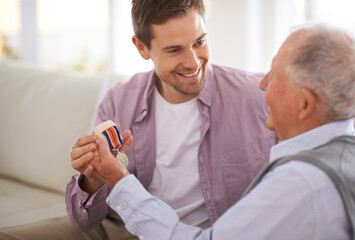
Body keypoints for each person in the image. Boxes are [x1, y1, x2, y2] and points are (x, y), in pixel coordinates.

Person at [91, 24, 355, 239]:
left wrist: (119, 180)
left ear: (304, 103)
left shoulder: (300, 181)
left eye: (274, 76)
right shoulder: (343, 153)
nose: (262, 85)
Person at [66, 0, 277, 239]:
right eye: (174, 50)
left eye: (200, 42)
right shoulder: (118, 102)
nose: (193, 62)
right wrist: (94, 177)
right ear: (142, 48)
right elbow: (83, 221)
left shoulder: (258, 95)